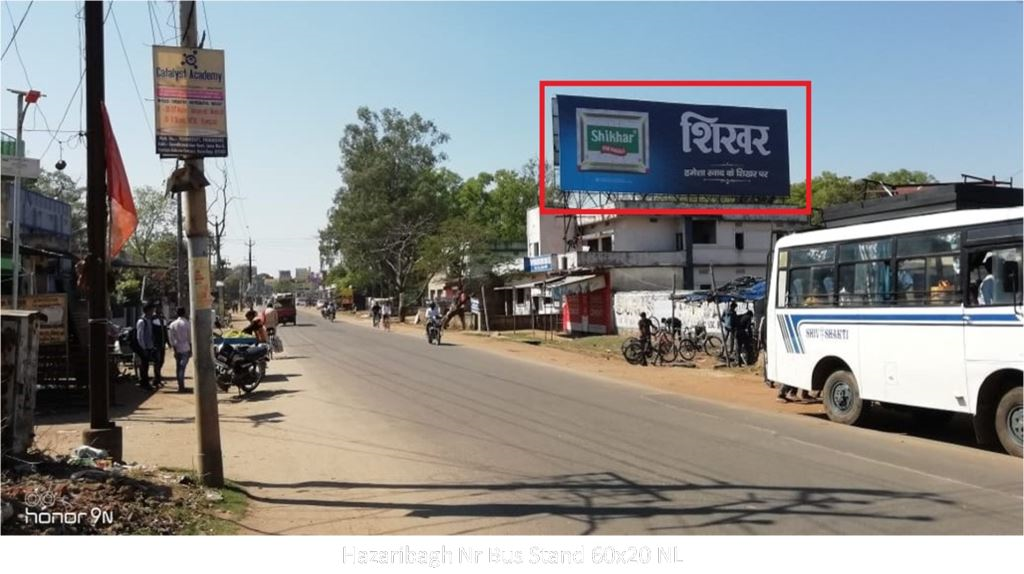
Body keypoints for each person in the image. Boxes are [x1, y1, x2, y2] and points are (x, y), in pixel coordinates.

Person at [167, 307, 192, 393]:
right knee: (182, 368)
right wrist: (191, 349)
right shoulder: (187, 323)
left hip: (177, 348)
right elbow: (190, 337)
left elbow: (171, 338)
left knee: (178, 368)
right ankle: (181, 386)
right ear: (184, 313)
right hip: (185, 348)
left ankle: (180, 385)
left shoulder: (172, 324)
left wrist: (174, 349)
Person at [135, 303, 157, 390]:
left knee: (146, 365)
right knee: (143, 366)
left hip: (149, 347)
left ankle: (144, 382)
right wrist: (143, 348)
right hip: (144, 348)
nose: (153, 312)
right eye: (152, 310)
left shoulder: (149, 320)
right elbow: (139, 336)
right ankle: (144, 383)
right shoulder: (141, 321)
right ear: (147, 311)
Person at [151, 305, 170, 387]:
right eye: (157, 308)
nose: (159, 310)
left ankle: (157, 377)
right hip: (156, 344)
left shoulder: (163, 319)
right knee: (157, 361)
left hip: (162, 344)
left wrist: (168, 342)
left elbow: (165, 332)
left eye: (160, 308)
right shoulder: (152, 319)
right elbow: (152, 332)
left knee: (162, 361)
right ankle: (157, 379)